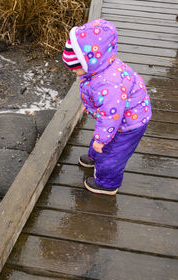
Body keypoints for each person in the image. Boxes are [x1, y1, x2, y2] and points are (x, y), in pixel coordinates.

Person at [62, 18, 152, 195]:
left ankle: (107, 183)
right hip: (119, 113)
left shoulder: (109, 85)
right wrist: (89, 106)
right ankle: (95, 155)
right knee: (102, 139)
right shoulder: (99, 68)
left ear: (89, 61)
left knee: (112, 153)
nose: (73, 71)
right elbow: (99, 100)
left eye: (76, 68)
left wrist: (101, 140)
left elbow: (111, 117)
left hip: (129, 123)